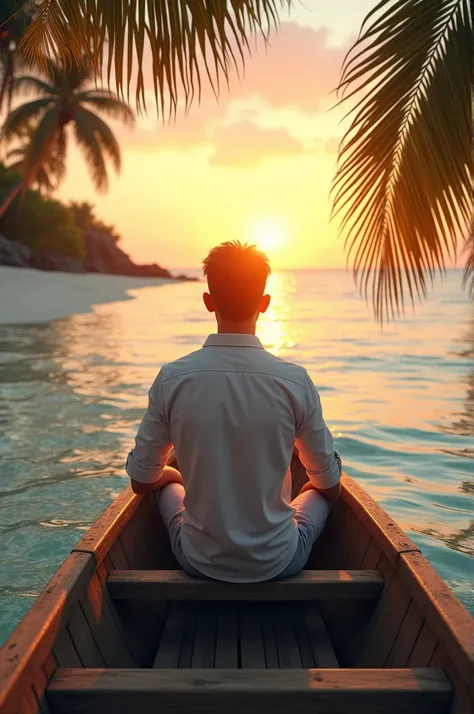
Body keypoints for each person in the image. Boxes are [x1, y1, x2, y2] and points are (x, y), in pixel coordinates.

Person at [126, 241, 341, 582]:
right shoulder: (294, 382)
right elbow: (329, 484)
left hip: (197, 561)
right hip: (279, 562)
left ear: (208, 303)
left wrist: (174, 476)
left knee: (166, 487)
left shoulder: (172, 378)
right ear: (265, 304)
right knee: (320, 492)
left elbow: (141, 481)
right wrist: (303, 492)